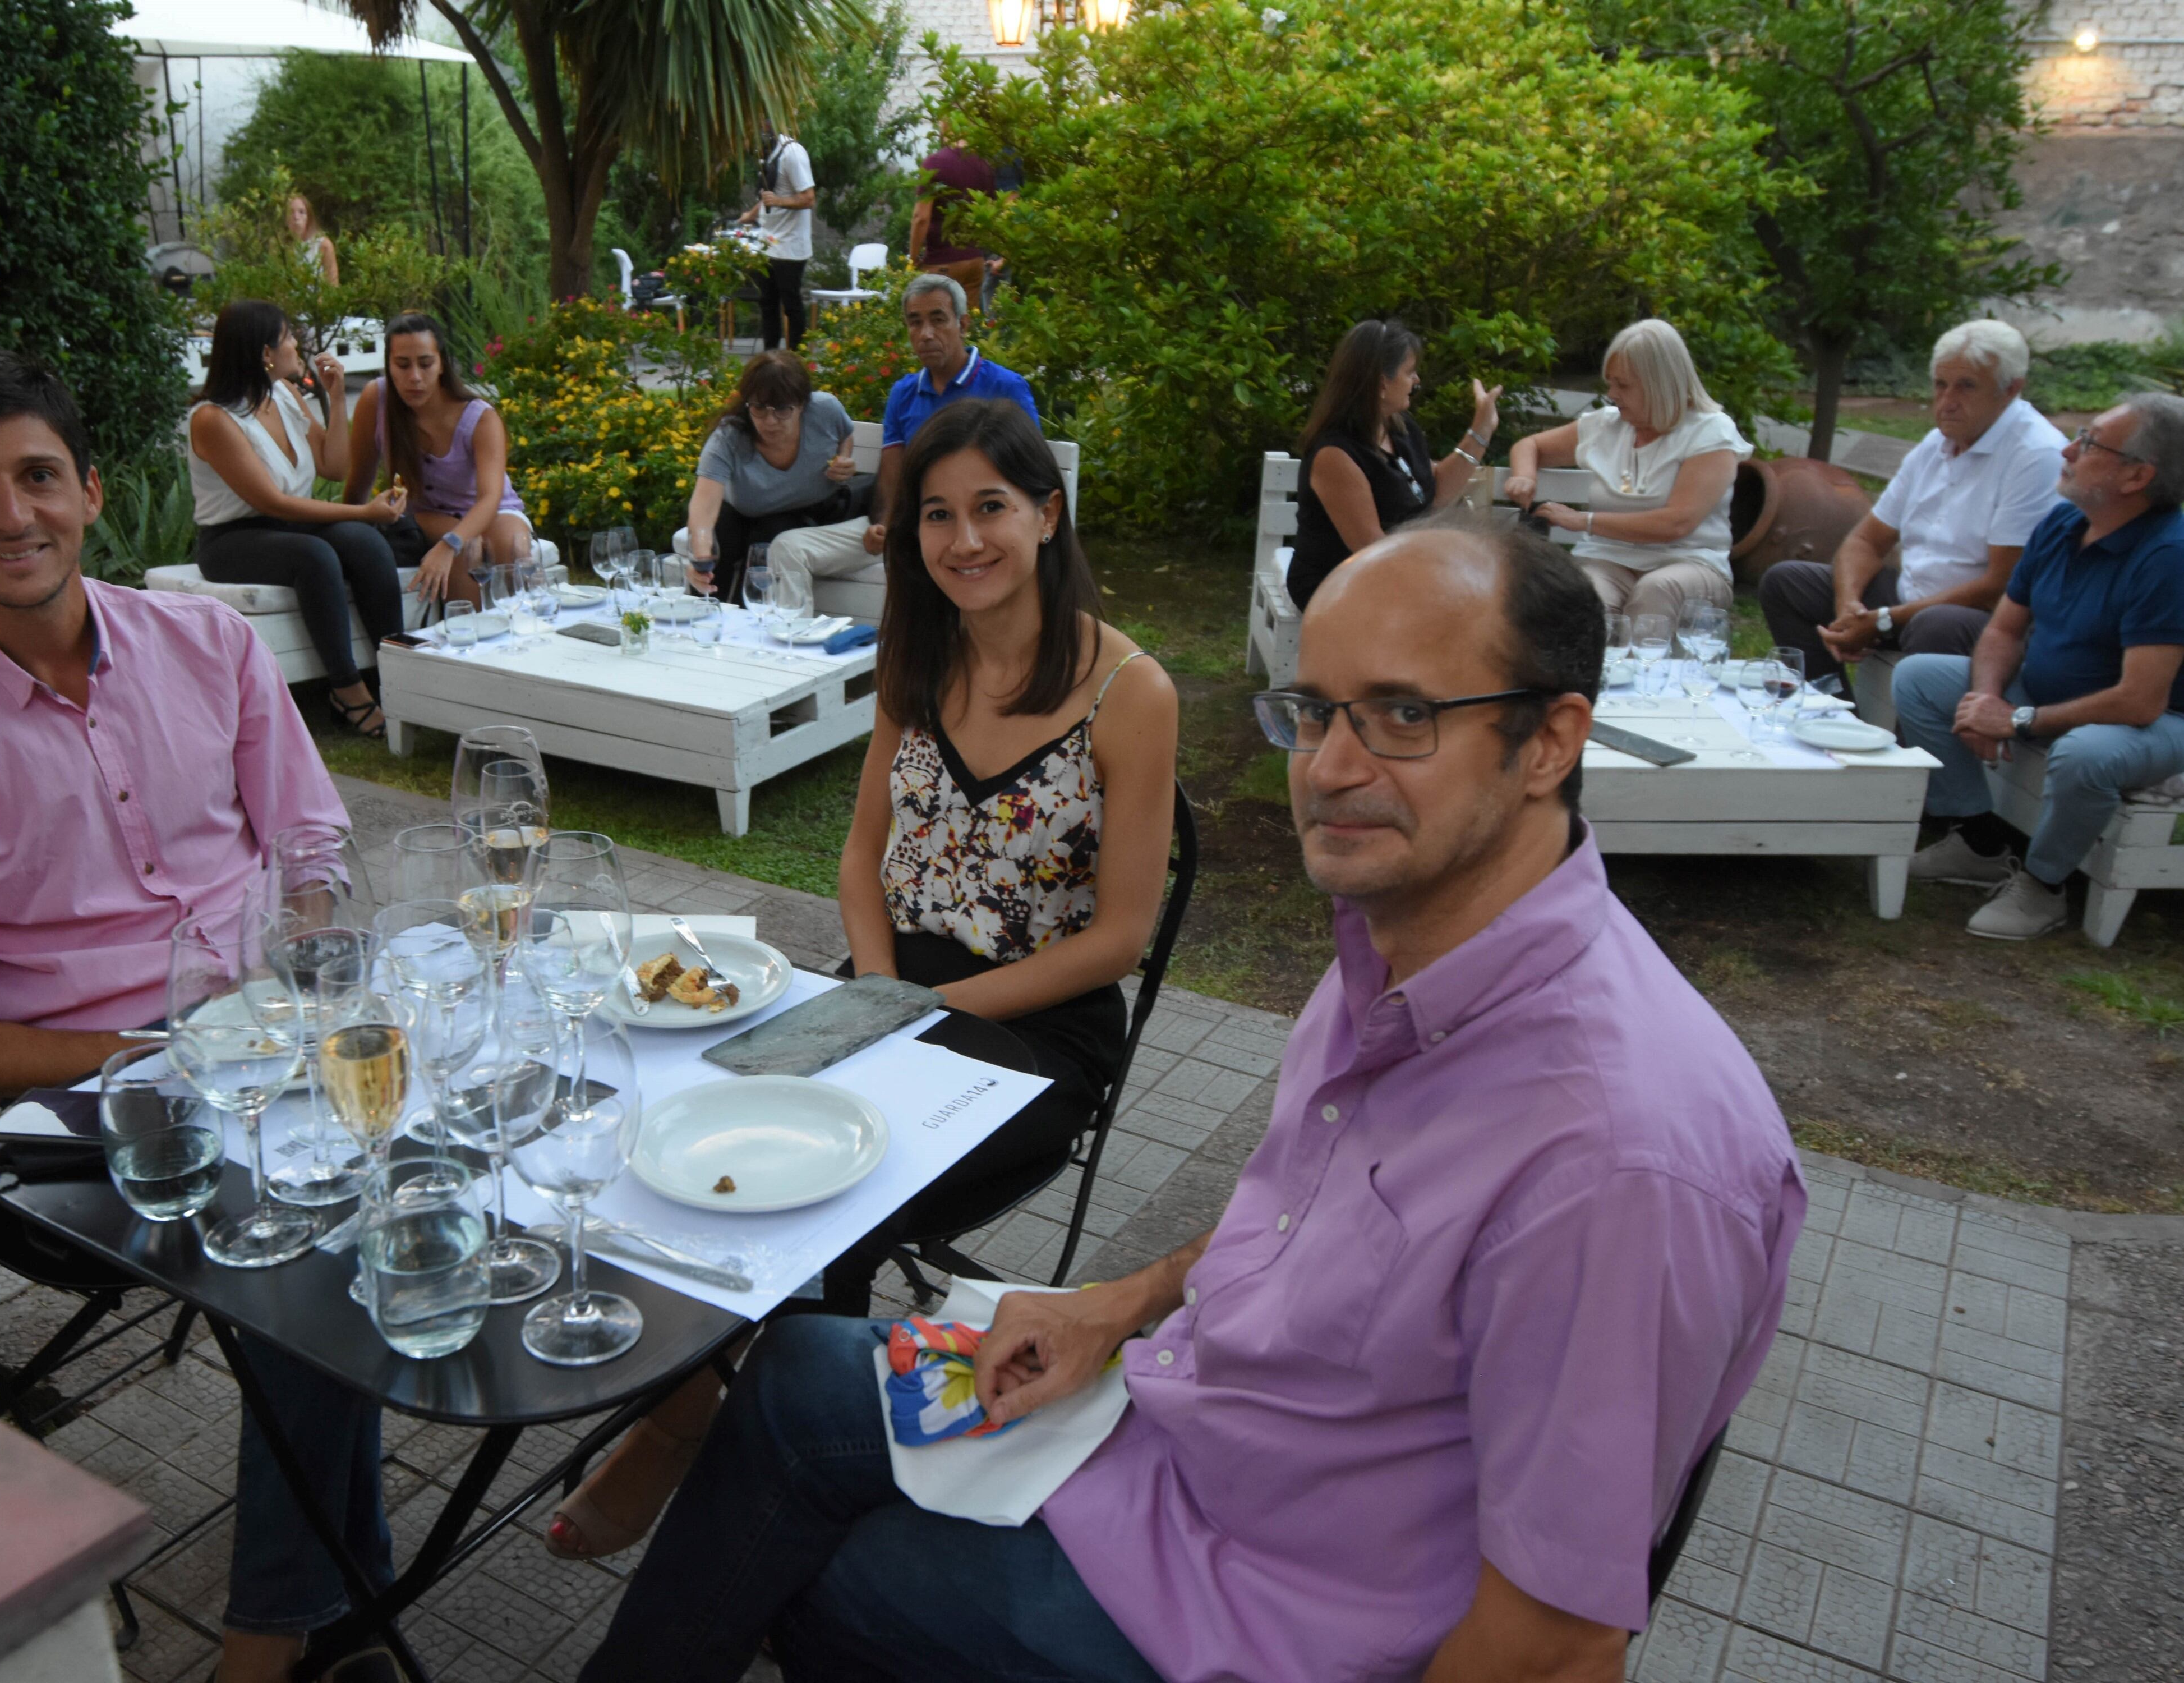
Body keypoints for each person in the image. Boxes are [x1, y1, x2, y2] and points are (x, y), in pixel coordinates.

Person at [575, 511, 1804, 1683]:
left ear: (1550, 739)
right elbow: (1330, 1227)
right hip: (1184, 1441)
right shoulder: (1400, 957)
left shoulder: (1616, 1157)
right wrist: (1118, 1301)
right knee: (793, 1375)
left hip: (1266, 1613)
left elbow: (1552, 1649)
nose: (1329, 768)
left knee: (832, 1578)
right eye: (1316, 709)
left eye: (1404, 716)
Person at [0, 351, 393, 1683]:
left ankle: (343, 1600)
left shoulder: (207, 647)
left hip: (275, 1038)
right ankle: (272, 1643)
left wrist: (303, 949)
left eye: (34, 475)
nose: (8, 513)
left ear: (89, 490)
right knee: (320, 1249)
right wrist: (159, 1052)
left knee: (481, 1126)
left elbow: (309, 836)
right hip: (92, 1112)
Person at [545, 398, 1178, 1566]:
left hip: (1037, 1028)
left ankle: (717, 1441)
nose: (964, 539)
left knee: (845, 1185)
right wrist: (881, 990)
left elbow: (1119, 942)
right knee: (710, 1121)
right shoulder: (919, 657)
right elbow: (858, 860)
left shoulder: (1126, 691)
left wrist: (928, 1013)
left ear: (1048, 514)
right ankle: (742, 1423)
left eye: (992, 507)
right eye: (936, 515)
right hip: (890, 988)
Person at [1892, 394, 2184, 940]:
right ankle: (1979, 844)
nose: (2069, 448)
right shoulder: (2063, 522)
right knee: (1920, 678)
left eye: (2091, 442)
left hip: (2158, 721)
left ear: (2136, 476)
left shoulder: (2169, 558)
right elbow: (2003, 628)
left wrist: (2020, 720)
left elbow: (2141, 700)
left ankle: (2044, 885)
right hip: (2049, 693)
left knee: (2085, 752)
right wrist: (1986, 699)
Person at [1761, 319, 2067, 688]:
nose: (1947, 401)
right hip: (1910, 598)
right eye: (1941, 384)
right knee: (1787, 582)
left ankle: (1910, 746)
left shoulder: (2036, 454)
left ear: (2011, 389)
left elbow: (1999, 585)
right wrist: (1849, 608)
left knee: (1935, 624)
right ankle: (1827, 710)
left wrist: (1888, 618)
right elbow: (1866, 542)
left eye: (1966, 386)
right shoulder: (1937, 443)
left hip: (1982, 618)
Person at [188, 300, 407, 739]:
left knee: (364, 543)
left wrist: (334, 394)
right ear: (265, 352)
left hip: (285, 527)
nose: (297, 344)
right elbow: (274, 503)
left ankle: (398, 674)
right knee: (315, 555)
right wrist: (363, 511)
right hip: (232, 539)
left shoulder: (285, 394)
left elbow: (333, 466)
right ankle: (347, 692)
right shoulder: (213, 419)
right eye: (288, 336)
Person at [765, 273, 1039, 614]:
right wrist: (883, 525)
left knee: (919, 552)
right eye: (915, 322)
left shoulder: (1005, 387)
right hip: (906, 524)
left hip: (971, 527)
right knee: (787, 548)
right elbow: (892, 474)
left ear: (963, 324)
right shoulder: (904, 393)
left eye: (938, 320)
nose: (926, 334)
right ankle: (796, 652)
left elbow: (1029, 472)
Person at [1504, 318, 1752, 622]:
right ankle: (1595, 670)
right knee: (1590, 597)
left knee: (1656, 591)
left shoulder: (1711, 433)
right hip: (1607, 560)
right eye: (1610, 382)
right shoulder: (1605, 425)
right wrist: (1525, 476)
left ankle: (1648, 671)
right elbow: (1530, 445)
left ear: (1659, 385)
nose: (1612, 393)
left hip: (1690, 563)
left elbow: (1676, 523)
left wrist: (1584, 521)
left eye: (1623, 384)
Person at [1284, 317, 1501, 609]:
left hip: (1391, 573)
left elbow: (1435, 491)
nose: (1417, 380)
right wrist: (1445, 563)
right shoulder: (1335, 455)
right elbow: (1373, 551)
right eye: (1409, 372)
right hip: (1338, 585)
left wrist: (1481, 431)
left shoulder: (1401, 428)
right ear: (1382, 383)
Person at [343, 310, 532, 610]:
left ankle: (519, 635)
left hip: (491, 512)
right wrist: (348, 534)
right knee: (467, 551)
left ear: (442, 363)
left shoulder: (480, 417)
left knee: (511, 548)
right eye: (402, 365)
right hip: (425, 515)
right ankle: (466, 642)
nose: (414, 377)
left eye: (426, 364)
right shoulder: (375, 399)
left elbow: (490, 498)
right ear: (388, 366)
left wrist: (449, 543)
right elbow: (357, 488)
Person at [681, 350, 866, 601]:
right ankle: (703, 615)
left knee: (768, 539)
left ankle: (752, 623)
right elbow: (703, 506)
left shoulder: (826, 410)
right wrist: (699, 558)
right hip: (745, 513)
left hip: (811, 510)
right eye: (759, 408)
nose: (770, 421)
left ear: (802, 404)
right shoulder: (729, 437)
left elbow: (845, 434)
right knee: (720, 538)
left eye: (782, 409)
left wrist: (844, 458)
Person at [738, 123, 815, 351]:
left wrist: (778, 202)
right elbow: (770, 195)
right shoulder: (766, 154)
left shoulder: (793, 153)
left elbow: (809, 199)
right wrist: (750, 216)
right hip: (768, 244)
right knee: (767, 304)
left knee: (791, 305)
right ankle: (770, 358)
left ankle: (798, 359)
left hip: (790, 245)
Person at [908, 128, 997, 312]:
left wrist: (914, 258)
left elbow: (921, 218)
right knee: (966, 327)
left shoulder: (935, 163)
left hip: (942, 262)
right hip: (975, 261)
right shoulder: (984, 166)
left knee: (936, 325)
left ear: (945, 127)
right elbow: (991, 215)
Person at [287, 191, 339, 287]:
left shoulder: (324, 245)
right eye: (291, 212)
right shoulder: (283, 247)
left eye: (301, 212)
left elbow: (333, 284)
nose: (296, 217)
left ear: (309, 218)